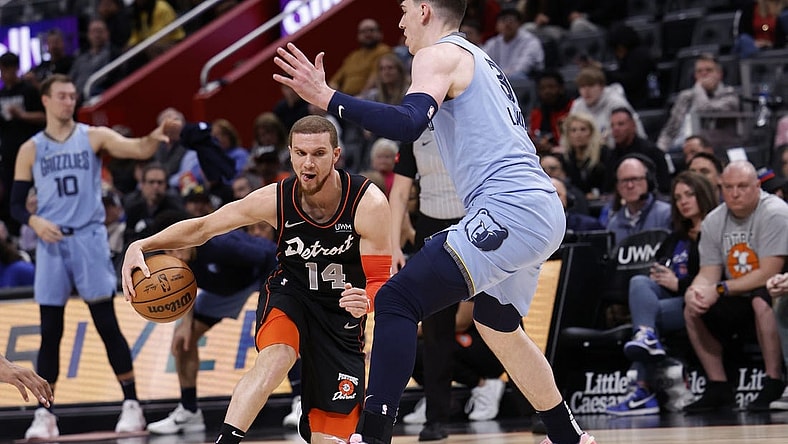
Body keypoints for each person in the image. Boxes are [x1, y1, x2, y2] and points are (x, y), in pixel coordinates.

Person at [272, 1, 596, 443]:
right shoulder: (478, 57)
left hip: (510, 208)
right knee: (497, 323)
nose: (400, 21)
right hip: (539, 209)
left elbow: (408, 123)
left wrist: (329, 98)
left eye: (404, 9)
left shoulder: (436, 54)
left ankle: (372, 436)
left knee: (396, 301)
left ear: (425, 9)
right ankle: (570, 437)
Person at [121, 115, 392, 444]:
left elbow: (380, 279)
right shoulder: (275, 198)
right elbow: (203, 227)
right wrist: (143, 244)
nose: (308, 163)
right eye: (301, 153)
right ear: (290, 154)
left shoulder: (368, 202)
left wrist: (367, 299)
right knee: (276, 356)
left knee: (327, 438)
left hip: (341, 316)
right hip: (291, 295)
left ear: (335, 155)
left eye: (319, 154)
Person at [10, 74, 176, 439]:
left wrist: (155, 135)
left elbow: (137, 149)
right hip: (52, 244)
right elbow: (15, 206)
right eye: (63, 96)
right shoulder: (31, 148)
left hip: (88, 238)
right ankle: (44, 413)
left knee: (106, 325)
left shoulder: (92, 136)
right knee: (50, 332)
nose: (70, 101)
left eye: (73, 95)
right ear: (46, 101)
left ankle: (132, 405)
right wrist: (34, 220)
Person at [143, 209, 278, 435]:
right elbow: (183, 289)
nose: (174, 253)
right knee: (181, 343)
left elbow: (271, 255)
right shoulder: (172, 261)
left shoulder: (221, 244)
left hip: (263, 274)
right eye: (169, 248)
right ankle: (189, 411)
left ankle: (299, 402)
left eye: (178, 245)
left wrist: (269, 304)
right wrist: (186, 323)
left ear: (189, 237)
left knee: (278, 336)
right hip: (224, 291)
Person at [605, 171, 718, 416]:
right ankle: (645, 336)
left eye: (689, 195)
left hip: (696, 300)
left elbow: (714, 278)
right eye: (678, 198)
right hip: (669, 297)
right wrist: (662, 277)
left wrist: (678, 283)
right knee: (639, 281)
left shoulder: (714, 232)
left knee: (647, 318)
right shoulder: (674, 237)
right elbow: (658, 267)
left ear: (703, 195)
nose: (683, 202)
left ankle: (642, 392)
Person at [683, 160, 788, 413]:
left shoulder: (775, 212)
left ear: (758, 186)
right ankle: (718, 386)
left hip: (774, 287)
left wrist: (719, 289)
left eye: (742, 186)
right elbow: (708, 273)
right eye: (728, 187)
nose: (735, 193)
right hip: (735, 291)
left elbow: (768, 272)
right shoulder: (713, 221)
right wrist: (693, 291)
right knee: (692, 306)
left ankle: (774, 380)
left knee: (761, 300)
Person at [389, 129, 466, 440]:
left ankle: (537, 409)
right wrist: (393, 245)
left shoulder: (473, 118)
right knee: (436, 331)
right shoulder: (412, 130)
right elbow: (398, 192)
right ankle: (436, 419)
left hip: (477, 219)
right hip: (432, 227)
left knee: (505, 321)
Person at [656, 53, 740, 153]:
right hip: (679, 148)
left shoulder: (729, 96)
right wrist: (659, 152)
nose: (703, 74)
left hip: (713, 150)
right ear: (695, 75)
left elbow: (705, 110)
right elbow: (670, 130)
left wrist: (699, 88)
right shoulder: (685, 96)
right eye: (699, 71)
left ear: (719, 74)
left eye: (709, 70)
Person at [0, 52, 45, 235]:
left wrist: (22, 115)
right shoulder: (1, 94)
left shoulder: (28, 90)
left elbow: (43, 117)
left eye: (8, 70)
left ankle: (34, 230)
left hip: (30, 152)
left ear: (16, 69)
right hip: (8, 153)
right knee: (11, 194)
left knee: (32, 193)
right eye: (2, 70)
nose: (5, 74)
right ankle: (15, 233)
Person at [481, 8, 543, 113]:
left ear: (519, 23)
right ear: (497, 25)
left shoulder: (531, 41)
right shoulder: (493, 43)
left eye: (511, 20)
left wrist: (498, 77)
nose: (507, 24)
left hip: (522, 81)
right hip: (499, 81)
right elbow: (482, 63)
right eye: (503, 20)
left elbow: (523, 67)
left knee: (518, 77)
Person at [569, 67, 645, 147]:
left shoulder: (617, 103)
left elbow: (635, 134)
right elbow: (568, 136)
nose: (586, 91)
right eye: (582, 87)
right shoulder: (577, 105)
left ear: (602, 87)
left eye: (591, 85)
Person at [605, 154, 672, 244]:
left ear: (648, 181)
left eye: (635, 179)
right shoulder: (613, 224)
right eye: (624, 181)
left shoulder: (666, 215)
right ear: (617, 186)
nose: (630, 185)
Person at [605, 108, 671, 194]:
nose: (615, 129)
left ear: (633, 125)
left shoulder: (653, 153)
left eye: (621, 124)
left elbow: (664, 187)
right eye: (612, 125)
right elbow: (607, 189)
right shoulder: (610, 156)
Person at [328, 18, 392, 96]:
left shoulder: (383, 51)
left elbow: (374, 79)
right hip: (346, 97)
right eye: (363, 31)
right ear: (358, 36)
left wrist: (359, 98)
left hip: (366, 97)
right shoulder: (353, 56)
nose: (367, 34)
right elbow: (334, 81)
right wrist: (331, 96)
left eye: (371, 30)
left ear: (380, 33)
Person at [69, 18, 122, 103]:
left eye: (100, 31)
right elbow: (71, 77)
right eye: (93, 32)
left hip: (95, 97)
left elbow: (106, 79)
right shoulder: (81, 55)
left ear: (107, 33)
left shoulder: (114, 54)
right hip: (73, 97)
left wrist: (81, 95)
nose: (97, 35)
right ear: (88, 35)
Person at [559, 112, 610, 200]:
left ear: (591, 132)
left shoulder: (604, 152)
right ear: (568, 134)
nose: (578, 134)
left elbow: (608, 183)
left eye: (583, 129)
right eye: (573, 130)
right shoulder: (566, 157)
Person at [528, 70, 574, 156]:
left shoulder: (573, 108)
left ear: (561, 88)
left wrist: (553, 148)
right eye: (542, 88)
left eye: (551, 87)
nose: (547, 91)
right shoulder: (536, 113)